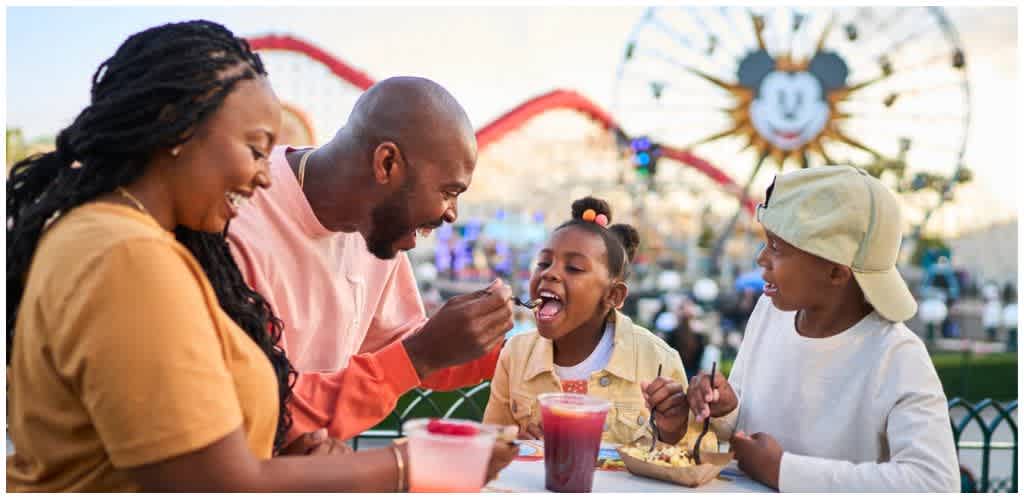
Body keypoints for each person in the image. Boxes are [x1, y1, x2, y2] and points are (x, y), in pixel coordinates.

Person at [6, 20, 512, 492]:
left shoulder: (139, 244)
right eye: (255, 149)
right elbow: (211, 481)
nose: (267, 175)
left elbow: (233, 433)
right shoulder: (125, 256)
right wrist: (412, 464)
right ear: (177, 131)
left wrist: (294, 453)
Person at [226, 76, 515, 442]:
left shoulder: (377, 228)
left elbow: (400, 346)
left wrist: (523, 350)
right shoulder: (238, 226)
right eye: (448, 191)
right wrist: (419, 354)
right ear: (387, 163)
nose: (451, 214)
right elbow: (259, 418)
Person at [679, 166, 959, 492]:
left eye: (777, 247)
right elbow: (746, 426)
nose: (761, 259)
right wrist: (726, 409)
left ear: (836, 273)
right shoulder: (768, 312)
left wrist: (783, 471)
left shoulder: (898, 355)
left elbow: (936, 484)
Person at [482, 197, 714, 451]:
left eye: (574, 268)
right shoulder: (516, 354)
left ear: (613, 296)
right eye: (544, 263)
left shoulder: (658, 359)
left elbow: (693, 456)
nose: (549, 273)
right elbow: (493, 443)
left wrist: (673, 429)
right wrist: (517, 446)